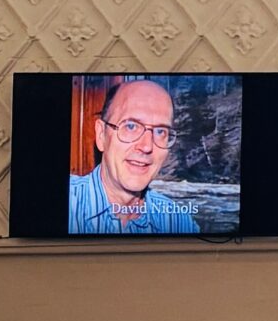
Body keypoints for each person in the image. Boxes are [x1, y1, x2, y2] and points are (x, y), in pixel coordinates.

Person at [67, 75, 199, 234]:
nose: (146, 146)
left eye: (160, 131)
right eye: (130, 126)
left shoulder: (178, 222)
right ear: (101, 135)